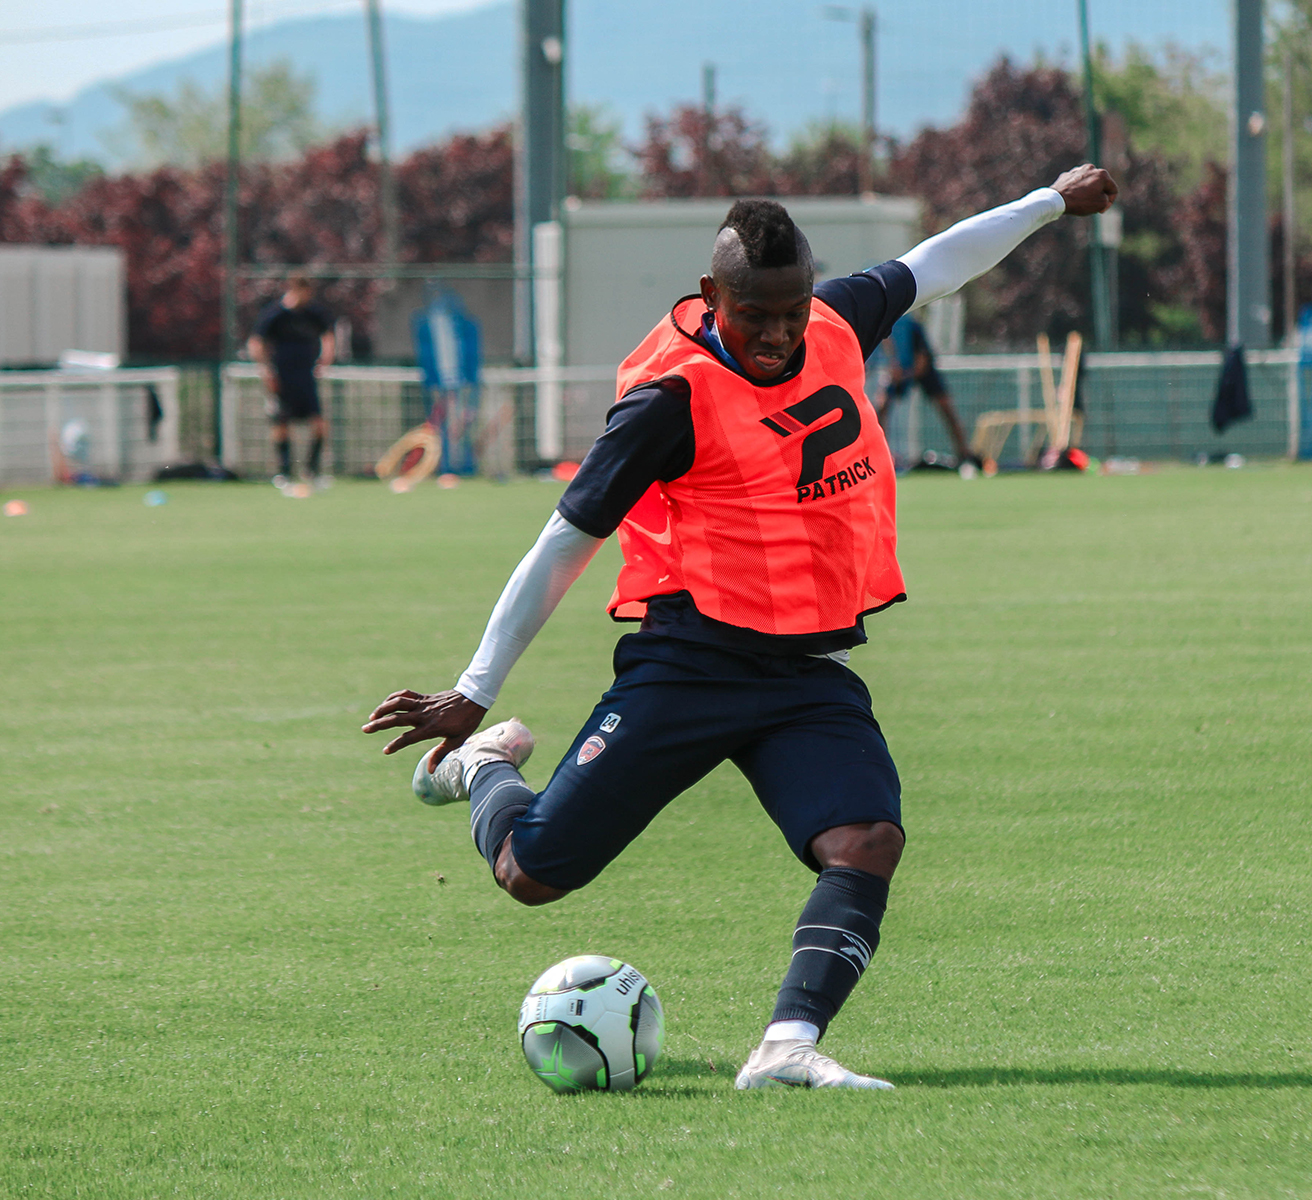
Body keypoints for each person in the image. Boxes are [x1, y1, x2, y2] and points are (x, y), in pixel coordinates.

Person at [364, 164, 1117, 1090]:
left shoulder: (835, 320)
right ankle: (485, 770)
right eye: (753, 314)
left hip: (804, 672)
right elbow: (564, 543)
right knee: (533, 874)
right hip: (691, 661)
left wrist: (1047, 200)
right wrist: (474, 694)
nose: (776, 333)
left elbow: (936, 263)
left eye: (790, 310)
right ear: (711, 296)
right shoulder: (669, 402)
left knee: (867, 841)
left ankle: (787, 1046)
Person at [247, 276, 335, 487]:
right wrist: (266, 370)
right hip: (282, 376)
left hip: (306, 376)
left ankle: (311, 471)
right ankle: (283, 472)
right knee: (282, 423)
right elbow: (256, 342)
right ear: (295, 290)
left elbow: (328, 336)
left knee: (319, 423)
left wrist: (326, 358)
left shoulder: (313, 312)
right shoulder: (275, 313)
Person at [874, 312, 976, 467]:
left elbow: (921, 365)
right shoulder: (883, 325)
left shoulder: (912, 326)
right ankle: (881, 457)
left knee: (946, 408)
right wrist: (894, 368)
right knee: (881, 407)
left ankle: (964, 453)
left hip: (921, 370)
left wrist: (904, 375)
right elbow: (888, 350)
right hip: (902, 370)